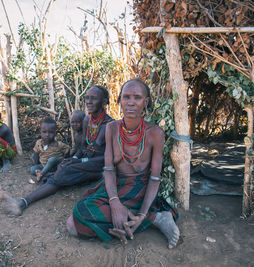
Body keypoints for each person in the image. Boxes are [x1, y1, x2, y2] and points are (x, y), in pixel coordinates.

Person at [66, 78, 180, 249]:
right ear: (119, 101)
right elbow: (109, 170)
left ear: (146, 102)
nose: (131, 102)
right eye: (126, 97)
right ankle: (155, 218)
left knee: (75, 225)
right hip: (114, 185)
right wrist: (115, 203)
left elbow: (155, 178)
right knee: (77, 215)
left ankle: (144, 217)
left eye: (137, 97)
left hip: (139, 189)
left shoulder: (155, 133)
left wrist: (141, 212)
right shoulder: (111, 128)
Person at [0, 85, 114, 215]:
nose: (89, 102)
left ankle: (23, 202)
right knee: (63, 165)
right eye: (87, 98)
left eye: (93, 98)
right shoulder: (87, 120)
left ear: (104, 101)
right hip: (86, 160)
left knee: (64, 170)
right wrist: (73, 159)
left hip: (99, 164)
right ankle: (22, 202)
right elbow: (83, 147)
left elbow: (106, 156)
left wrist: (79, 161)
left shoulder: (110, 125)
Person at [29, 117, 70, 184]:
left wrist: (64, 163)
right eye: (44, 132)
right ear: (41, 132)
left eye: (50, 132)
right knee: (32, 169)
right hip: (43, 166)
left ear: (55, 133)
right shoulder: (39, 143)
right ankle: (47, 174)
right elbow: (36, 154)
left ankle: (43, 174)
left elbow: (68, 151)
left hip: (56, 166)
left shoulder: (59, 145)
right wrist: (36, 164)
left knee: (52, 160)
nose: (47, 135)